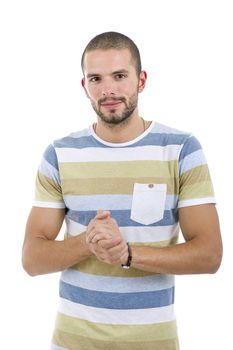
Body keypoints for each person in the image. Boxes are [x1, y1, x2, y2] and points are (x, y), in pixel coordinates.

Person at [22, 31, 223, 350]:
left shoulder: (180, 149)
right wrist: (89, 242)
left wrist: (127, 253)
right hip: (72, 344)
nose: (108, 89)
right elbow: (32, 259)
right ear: (84, 86)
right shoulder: (59, 154)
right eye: (96, 79)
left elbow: (209, 255)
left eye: (119, 76)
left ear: (141, 80)